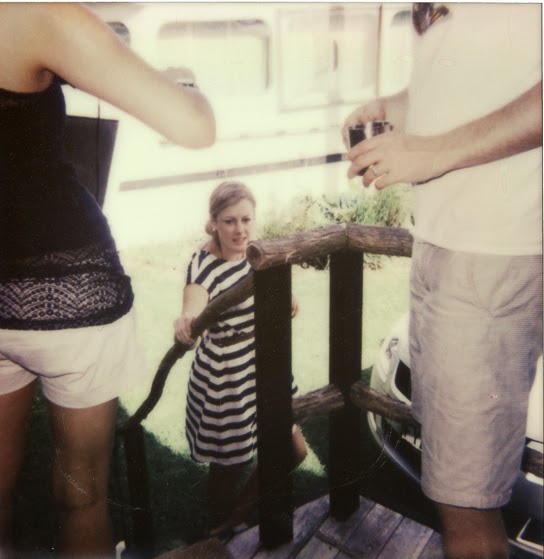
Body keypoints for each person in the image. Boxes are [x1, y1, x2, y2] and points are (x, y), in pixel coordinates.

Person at [0, 3, 215, 557]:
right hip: (70, 298)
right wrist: (185, 82)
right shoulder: (33, 14)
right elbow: (195, 127)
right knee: (83, 496)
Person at [343, 4, 542, 559]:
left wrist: (429, 153)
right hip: (440, 248)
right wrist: (395, 108)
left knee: (468, 510)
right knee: (454, 493)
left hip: (491, 256)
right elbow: (474, 86)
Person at [174, 181, 307, 537]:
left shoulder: (255, 252)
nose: (240, 230)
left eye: (246, 219)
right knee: (228, 466)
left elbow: (263, 286)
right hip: (227, 377)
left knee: (293, 451)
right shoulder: (203, 266)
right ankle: (222, 529)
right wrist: (187, 321)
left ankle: (239, 514)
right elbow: (193, 304)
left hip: (265, 364)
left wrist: (284, 297)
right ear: (213, 222)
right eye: (229, 221)